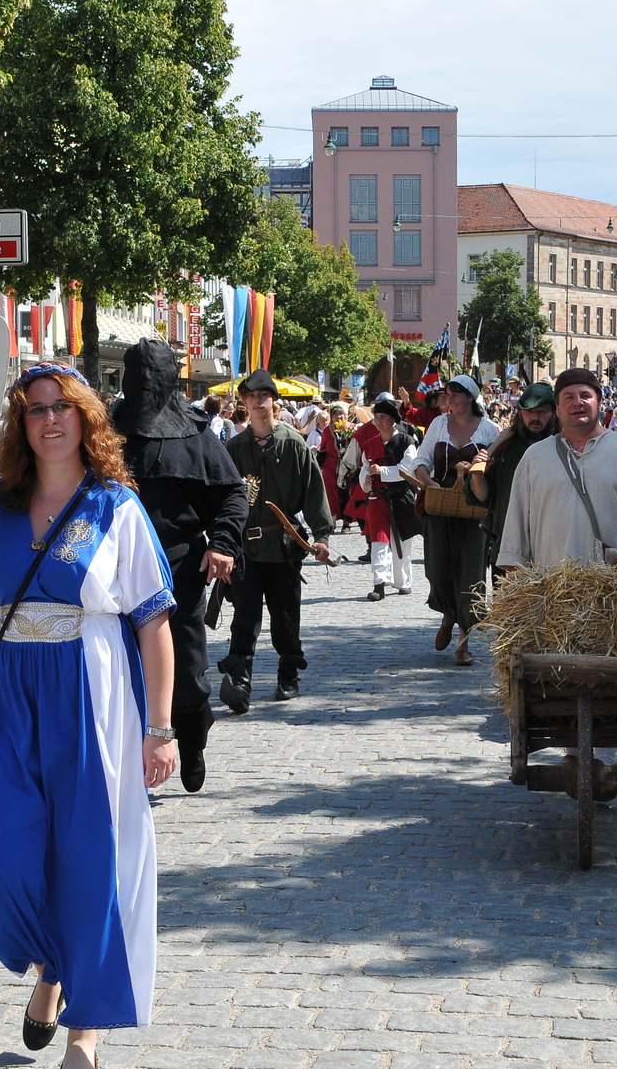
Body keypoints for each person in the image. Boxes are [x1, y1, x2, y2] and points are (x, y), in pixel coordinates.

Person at [0, 360, 178, 1066]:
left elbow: (153, 623)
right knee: (6, 856)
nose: (50, 418)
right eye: (35, 408)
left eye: (63, 406)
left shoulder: (114, 506)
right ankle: (51, 969)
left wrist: (160, 727)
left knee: (89, 858)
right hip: (7, 699)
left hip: (91, 697)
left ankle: (85, 1027)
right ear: (19, 423)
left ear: (86, 418)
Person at [111, 340, 246, 793]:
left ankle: (191, 741)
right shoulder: (106, 432)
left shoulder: (196, 434)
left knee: (186, 675)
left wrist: (222, 543)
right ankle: (123, 764)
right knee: (116, 674)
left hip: (177, 572)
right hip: (110, 577)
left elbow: (231, 493)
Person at [494, 369, 617, 603]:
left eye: (585, 395)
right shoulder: (535, 457)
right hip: (551, 592)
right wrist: (516, 588)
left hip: (616, 593)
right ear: (557, 408)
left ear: (599, 403)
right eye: (568, 397)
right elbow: (516, 523)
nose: (577, 402)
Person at [219, 370, 334, 708]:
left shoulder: (293, 443)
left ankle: (288, 672)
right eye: (251, 396)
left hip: (284, 546)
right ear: (244, 402)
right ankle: (240, 680)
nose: (257, 401)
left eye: (263, 395)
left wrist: (322, 533)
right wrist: (221, 544)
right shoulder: (235, 447)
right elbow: (222, 498)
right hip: (246, 549)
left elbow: (314, 491)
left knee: (285, 616)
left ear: (273, 400)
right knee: (245, 616)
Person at [410, 375, 499, 666]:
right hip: (439, 506)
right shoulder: (438, 424)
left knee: (470, 575)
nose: (450, 401)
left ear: (471, 397)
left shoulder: (488, 430)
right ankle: (448, 613)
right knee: (437, 570)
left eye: (455, 395)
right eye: (447, 395)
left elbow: (494, 473)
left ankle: (464, 641)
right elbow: (420, 461)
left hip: (473, 511)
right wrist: (431, 485)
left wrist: (482, 466)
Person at [469, 382, 556, 565]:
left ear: (554, 413)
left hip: (554, 552)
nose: (535, 417)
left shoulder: (566, 448)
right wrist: (478, 476)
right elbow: (484, 496)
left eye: (542, 411)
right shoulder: (503, 449)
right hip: (509, 552)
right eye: (528, 412)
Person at [348, 396, 420, 600]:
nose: (378, 421)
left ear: (393, 420)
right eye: (376, 417)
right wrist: (367, 479)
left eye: (382, 417)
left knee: (402, 543)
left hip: (401, 497)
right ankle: (379, 583)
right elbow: (364, 468)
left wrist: (382, 471)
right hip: (377, 498)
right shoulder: (370, 444)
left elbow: (408, 469)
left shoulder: (406, 442)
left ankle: (402, 581)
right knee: (379, 540)